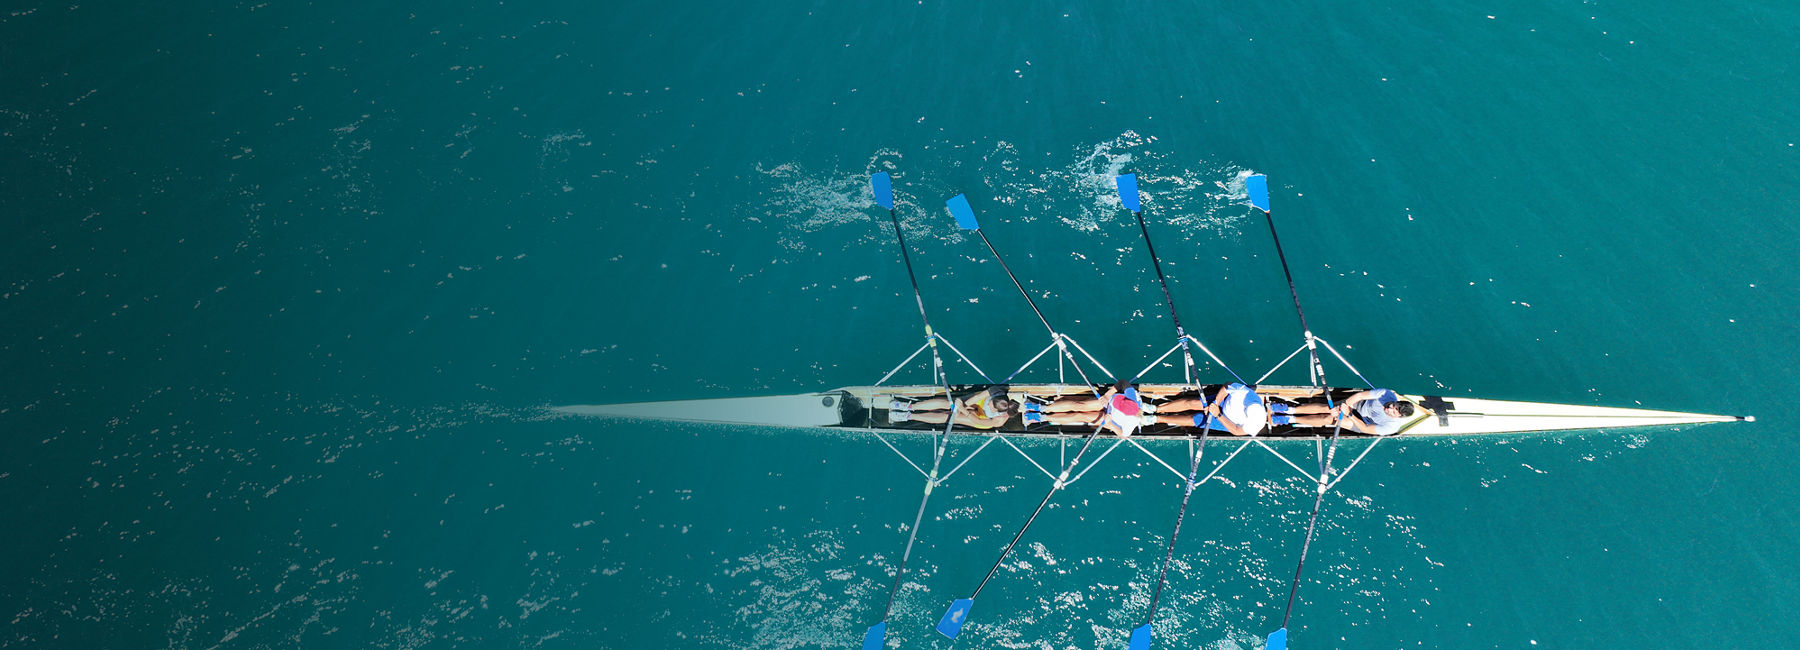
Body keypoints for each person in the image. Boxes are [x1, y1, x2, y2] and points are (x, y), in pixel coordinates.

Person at [1021, 380, 1152, 438]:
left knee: (1079, 415)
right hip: (1108, 402)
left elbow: (1124, 435)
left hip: (1110, 420)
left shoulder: (1132, 422)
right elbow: (1123, 382)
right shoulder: (1133, 397)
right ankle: (1039, 407)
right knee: (1079, 405)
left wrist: (1111, 425)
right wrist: (1107, 395)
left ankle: (1038, 417)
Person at [1155, 383, 1291, 436]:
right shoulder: (1245, 393)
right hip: (1223, 401)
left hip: (1226, 420)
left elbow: (1236, 431)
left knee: (1194, 420)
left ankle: (1156, 418)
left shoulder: (1256, 423)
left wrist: (1218, 414)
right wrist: (1215, 403)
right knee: (1193, 403)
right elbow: (1226, 387)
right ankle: (1156, 408)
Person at [1287, 388, 1415, 436]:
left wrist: (1350, 414)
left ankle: (1289, 419)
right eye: (1394, 405)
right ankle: (1289, 410)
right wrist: (1346, 405)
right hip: (1359, 404)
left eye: (1394, 411)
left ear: (1398, 416)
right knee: (1329, 409)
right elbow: (1359, 396)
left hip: (1361, 422)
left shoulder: (1391, 427)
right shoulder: (1387, 394)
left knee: (1331, 419)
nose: (1390, 408)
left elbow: (1365, 428)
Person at [889, 386, 1020, 429]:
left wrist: (962, 410)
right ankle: (910, 406)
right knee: (948, 403)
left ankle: (908, 416)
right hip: (977, 402)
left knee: (952, 416)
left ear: (997, 411)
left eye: (991, 406)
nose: (989, 403)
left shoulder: (1000, 419)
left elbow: (979, 421)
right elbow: (977, 397)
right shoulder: (996, 391)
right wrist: (960, 405)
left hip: (981, 418)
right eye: (990, 401)